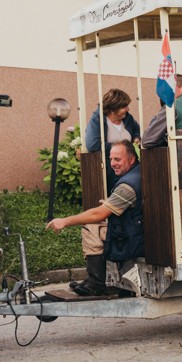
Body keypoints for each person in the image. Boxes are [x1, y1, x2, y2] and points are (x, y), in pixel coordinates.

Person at [47, 141, 143, 291]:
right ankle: (94, 279)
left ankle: (96, 283)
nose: (112, 164)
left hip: (135, 236)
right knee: (98, 224)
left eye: (117, 159)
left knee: (91, 227)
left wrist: (65, 221)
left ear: (131, 159)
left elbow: (98, 214)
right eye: (111, 159)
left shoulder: (128, 185)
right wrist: (111, 205)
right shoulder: (138, 173)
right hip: (138, 227)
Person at [72, 88, 140, 297]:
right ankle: (95, 280)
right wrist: (120, 149)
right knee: (100, 220)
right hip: (110, 174)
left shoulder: (128, 119)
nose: (127, 110)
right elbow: (93, 144)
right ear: (112, 108)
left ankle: (96, 282)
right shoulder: (98, 119)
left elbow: (137, 132)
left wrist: (134, 141)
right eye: (123, 106)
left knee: (95, 224)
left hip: (125, 175)